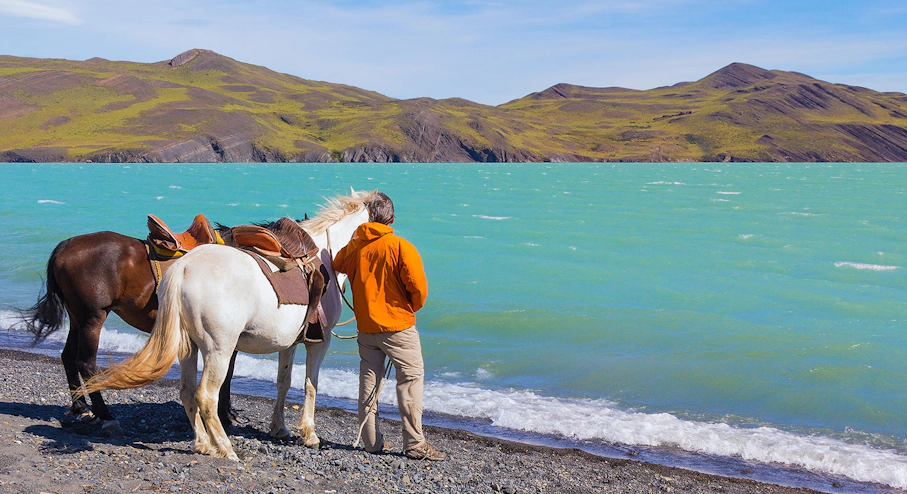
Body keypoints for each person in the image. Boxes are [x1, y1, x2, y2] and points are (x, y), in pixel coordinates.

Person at [333, 191, 446, 461]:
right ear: (392, 218)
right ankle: (415, 444)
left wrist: (358, 238)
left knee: (369, 384)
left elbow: (338, 263)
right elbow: (418, 289)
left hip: (367, 329)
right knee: (410, 379)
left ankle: (371, 443)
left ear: (370, 216)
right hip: (398, 327)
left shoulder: (357, 247)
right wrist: (410, 308)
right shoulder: (400, 247)